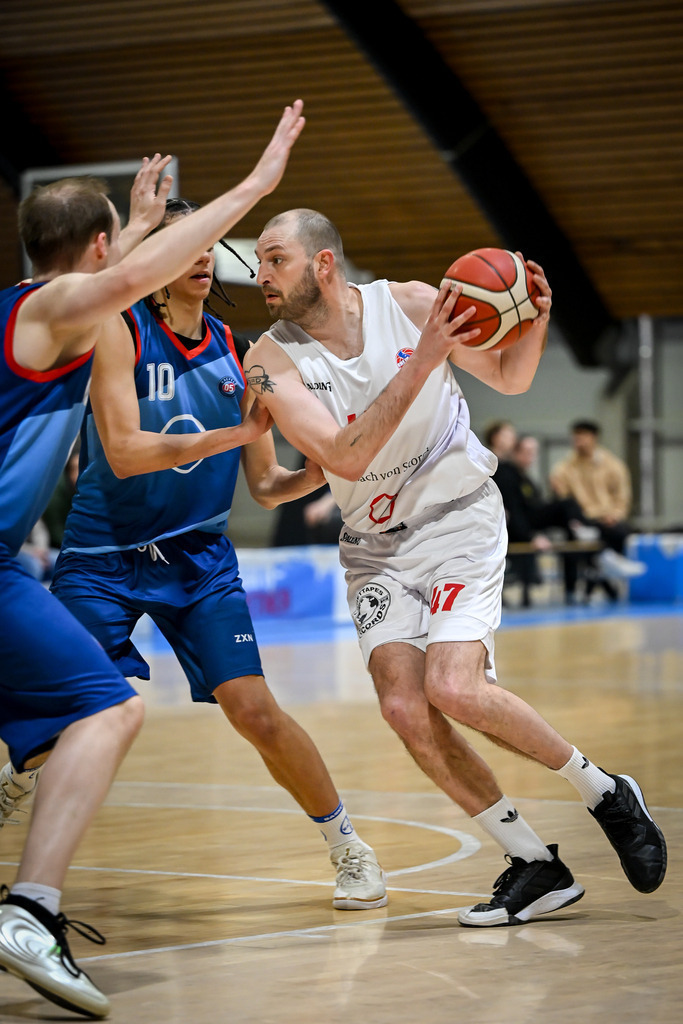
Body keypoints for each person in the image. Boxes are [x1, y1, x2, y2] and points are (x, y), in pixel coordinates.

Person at [242, 207, 667, 928]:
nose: (260, 276)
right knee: (404, 707)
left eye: (274, 259)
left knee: (452, 687)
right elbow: (343, 458)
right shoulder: (268, 360)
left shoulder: (409, 303)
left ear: (322, 264)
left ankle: (604, 791)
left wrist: (531, 318)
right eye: (258, 262)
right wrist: (428, 358)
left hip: (457, 516)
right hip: (374, 545)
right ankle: (535, 863)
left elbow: (505, 377)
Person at [0, 99, 307, 1018]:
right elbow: (130, 278)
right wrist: (254, 188)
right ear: (98, 252)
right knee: (107, 710)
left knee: (77, 716)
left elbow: (125, 277)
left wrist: (132, 221)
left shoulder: (41, 304)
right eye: (122, 249)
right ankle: (29, 911)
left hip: (12, 566)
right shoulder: (54, 310)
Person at [41, 197, 384, 914]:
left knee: (255, 710)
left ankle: (347, 844)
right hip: (103, 555)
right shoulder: (118, 327)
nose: (202, 254)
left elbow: (265, 486)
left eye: (209, 243)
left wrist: (335, 461)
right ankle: (26, 803)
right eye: (184, 243)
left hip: (198, 560)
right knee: (67, 719)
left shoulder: (239, 350)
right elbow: (127, 456)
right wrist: (230, 439)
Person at [550, 419, 646, 599]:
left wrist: (615, 515)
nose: (578, 441)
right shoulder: (564, 468)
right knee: (580, 537)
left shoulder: (613, 465)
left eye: (582, 436)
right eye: (576, 437)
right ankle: (605, 574)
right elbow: (564, 500)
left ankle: (601, 571)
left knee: (620, 533)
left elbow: (622, 496)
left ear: (593, 437)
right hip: (583, 520)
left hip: (609, 519)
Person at [495, 433, 590, 605]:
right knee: (567, 504)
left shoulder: (526, 478)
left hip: (531, 520)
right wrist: (532, 537)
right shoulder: (507, 475)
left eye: (534, 453)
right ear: (516, 452)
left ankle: (582, 532)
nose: (532, 457)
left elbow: (536, 505)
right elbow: (514, 513)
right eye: (528, 452)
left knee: (569, 519)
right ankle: (587, 532)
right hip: (517, 530)